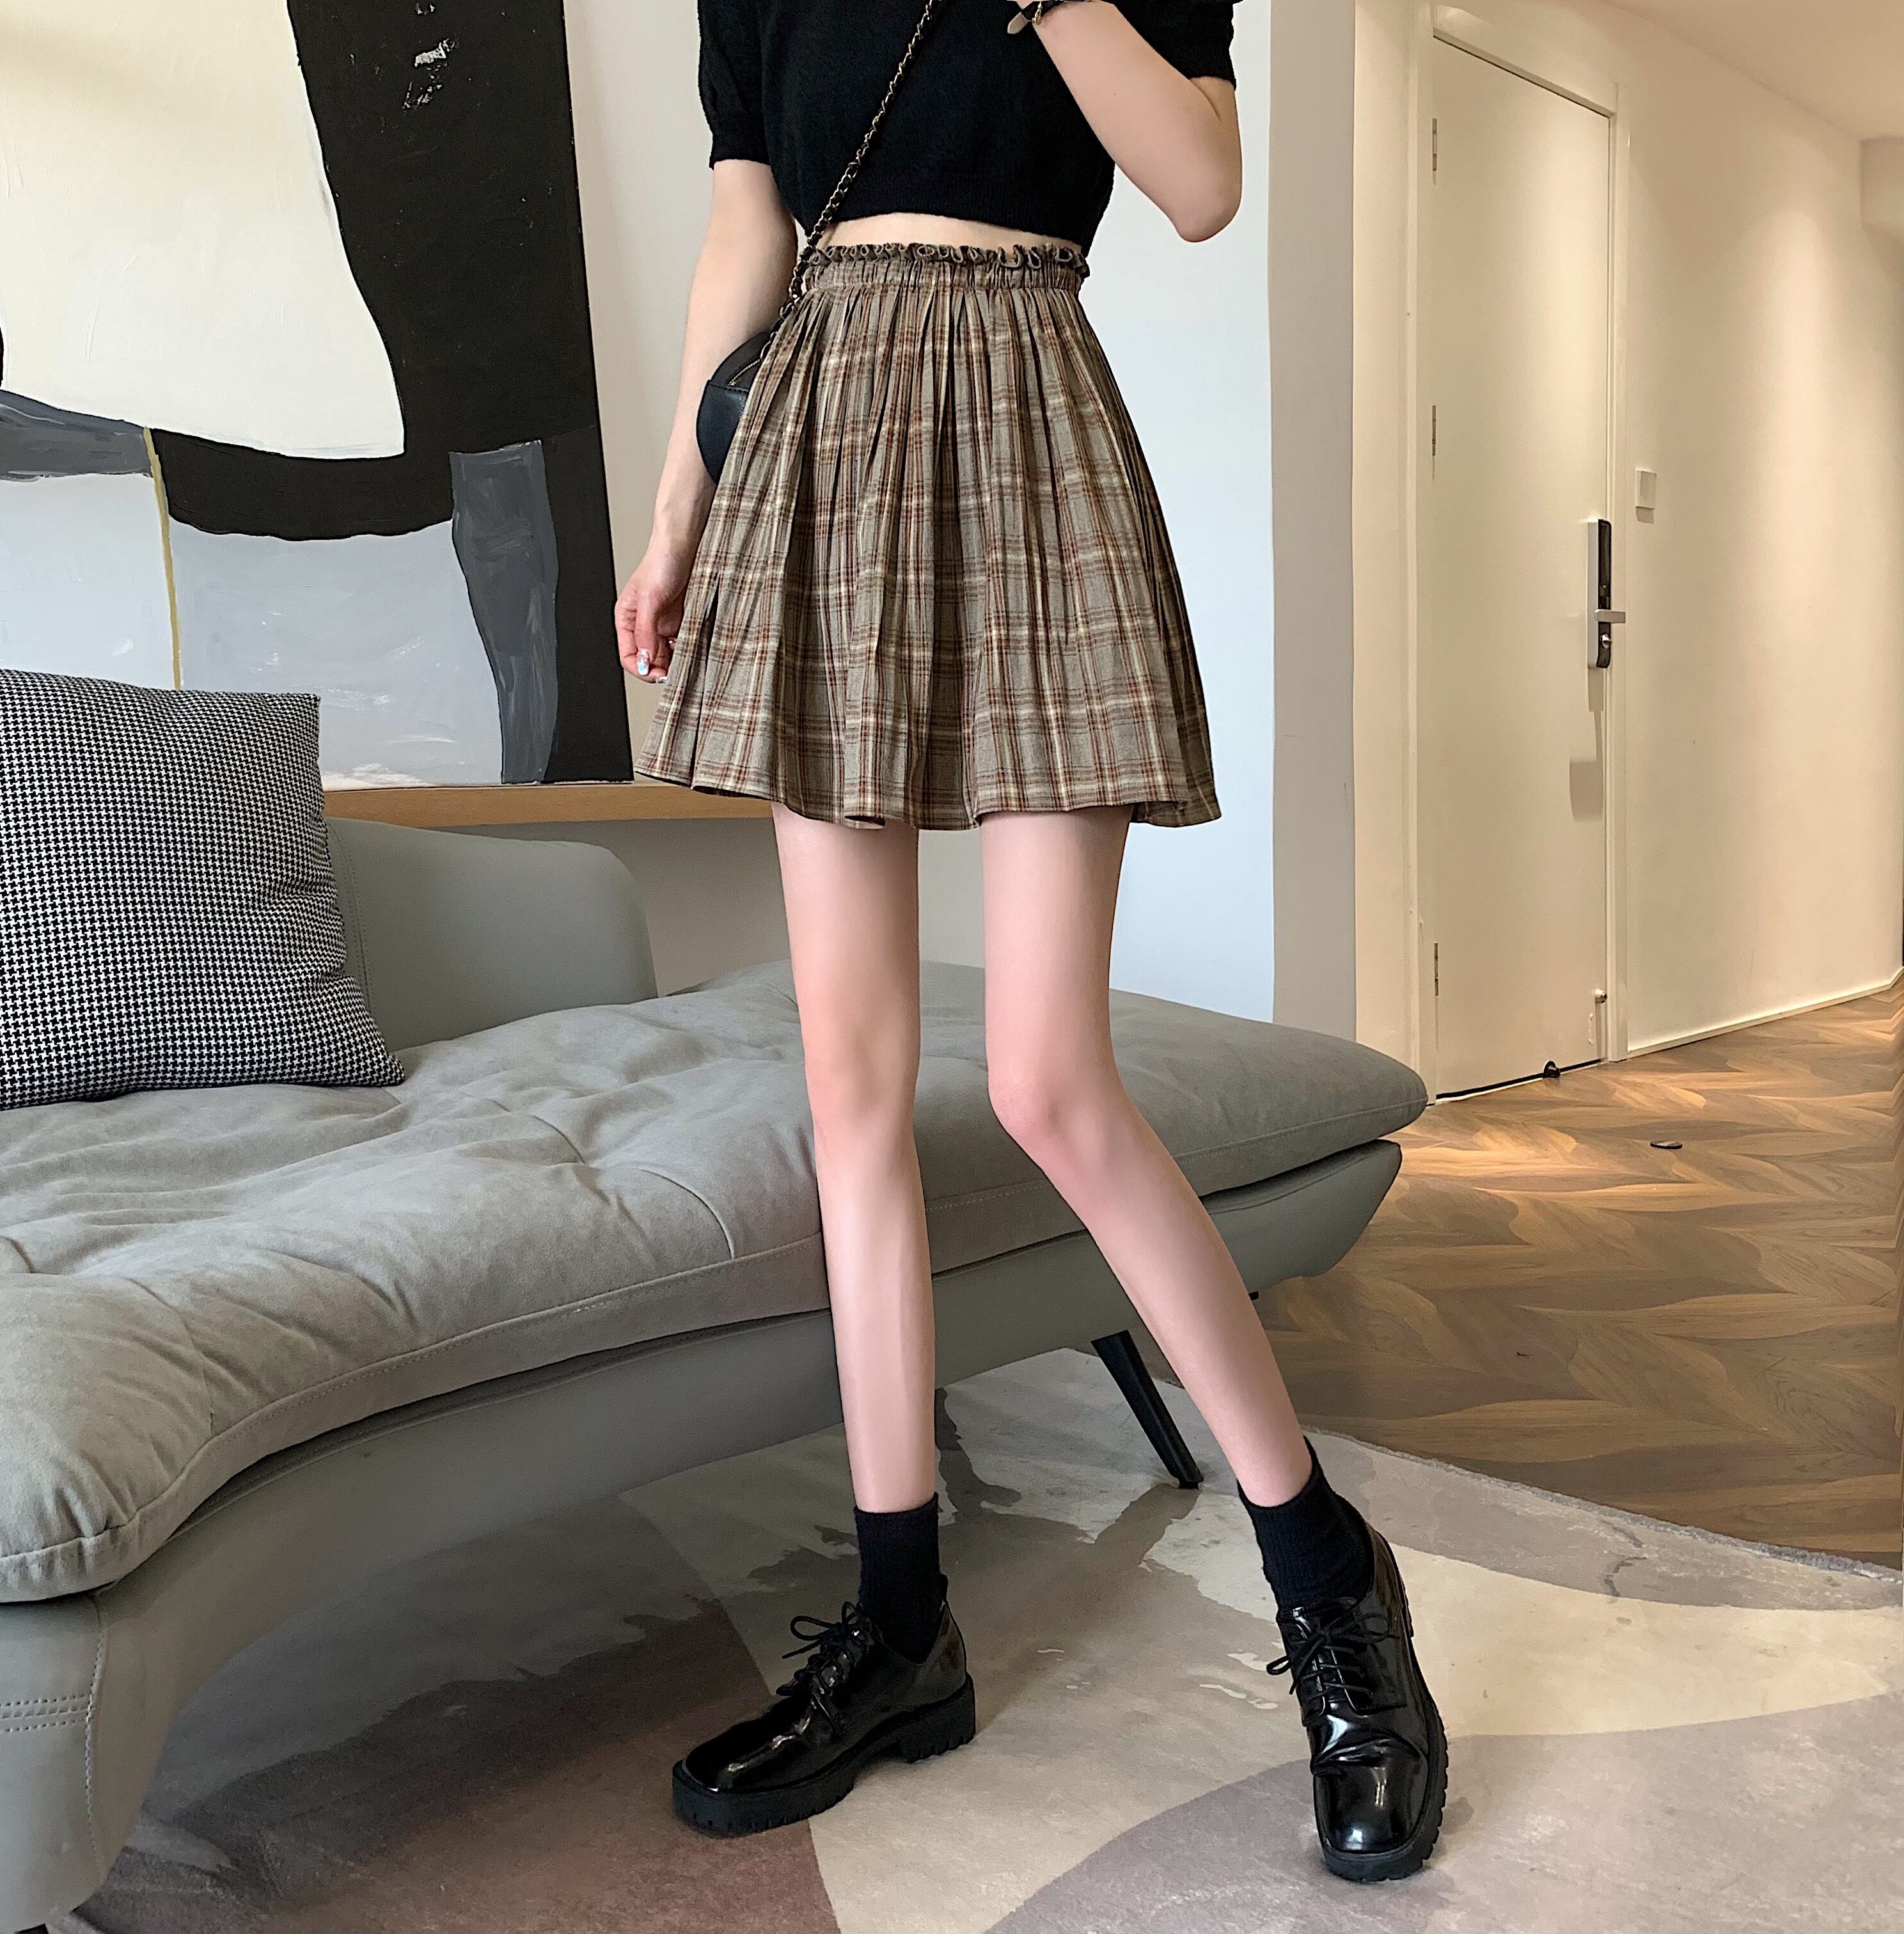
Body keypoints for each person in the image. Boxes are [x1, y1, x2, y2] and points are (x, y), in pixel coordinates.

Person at [616, 0, 1447, 1885]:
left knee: (1055, 1087)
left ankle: (1332, 1587)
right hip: (817, 436)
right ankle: (900, 1625)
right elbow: (748, 222)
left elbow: (1202, 183)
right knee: (851, 1097)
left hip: (1026, 424)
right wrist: (679, 510)